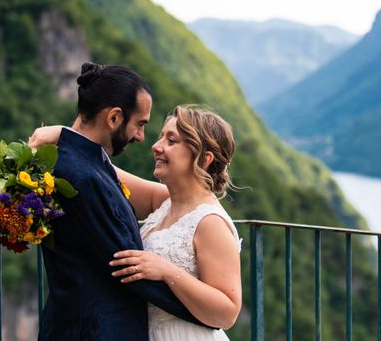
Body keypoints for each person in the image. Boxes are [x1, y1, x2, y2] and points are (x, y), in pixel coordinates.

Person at [31, 105, 242, 339]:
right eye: (161, 136)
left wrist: (166, 271)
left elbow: (227, 312)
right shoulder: (167, 201)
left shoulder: (210, 221)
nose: (156, 146)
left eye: (171, 141)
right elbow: (99, 172)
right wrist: (65, 135)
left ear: (204, 158)